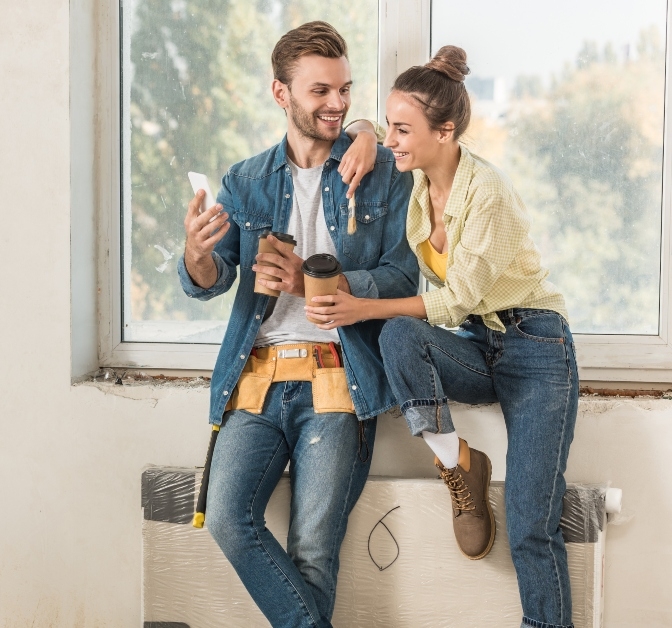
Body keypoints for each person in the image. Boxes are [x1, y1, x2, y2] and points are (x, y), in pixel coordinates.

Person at [306, 46, 578, 628]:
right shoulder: (416, 180)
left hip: (536, 349)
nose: (393, 141)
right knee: (400, 338)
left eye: (403, 130)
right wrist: (361, 132)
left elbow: (454, 299)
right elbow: (360, 126)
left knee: (532, 521)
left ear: (446, 131)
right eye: (391, 128)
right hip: (481, 345)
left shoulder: (488, 194)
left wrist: (358, 307)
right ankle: (458, 462)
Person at [179, 21, 417, 628]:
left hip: (338, 380)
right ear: (281, 94)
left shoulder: (382, 172)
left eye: (344, 89)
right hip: (255, 382)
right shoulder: (245, 180)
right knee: (228, 518)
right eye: (320, 91)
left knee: (313, 553)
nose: (338, 104)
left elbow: (402, 275)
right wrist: (197, 258)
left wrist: (324, 286)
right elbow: (212, 280)